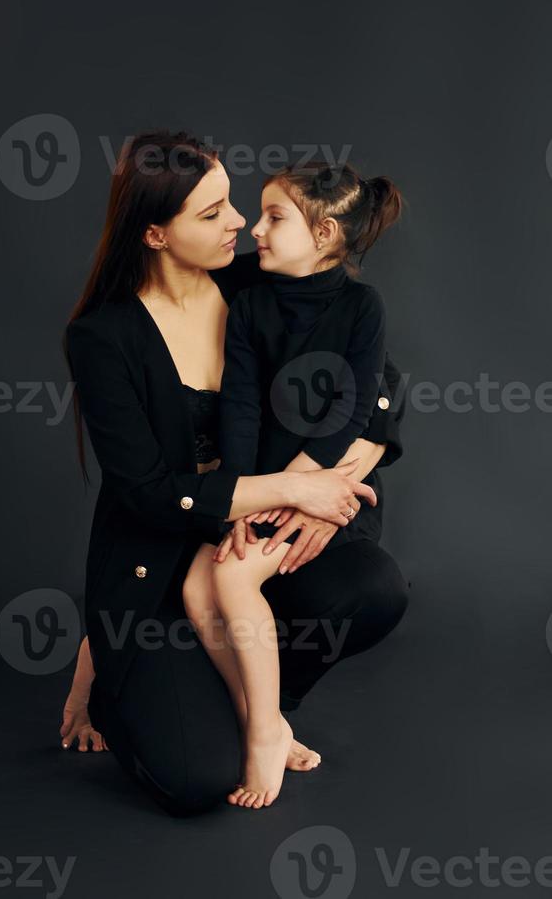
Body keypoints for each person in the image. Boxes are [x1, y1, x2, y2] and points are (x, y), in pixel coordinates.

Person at [62, 129, 409, 816]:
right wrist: (292, 487)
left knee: (370, 586)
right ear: (157, 235)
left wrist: (347, 468)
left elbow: (378, 380)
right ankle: (137, 685)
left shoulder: (259, 278)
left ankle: (263, 710)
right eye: (212, 212)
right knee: (197, 781)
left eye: (233, 203)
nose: (240, 223)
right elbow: (147, 495)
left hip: (254, 537)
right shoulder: (105, 337)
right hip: (163, 565)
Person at [182, 159, 402, 808]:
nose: (255, 227)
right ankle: (272, 722)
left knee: (227, 577)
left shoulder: (361, 307)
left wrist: (293, 488)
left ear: (327, 235)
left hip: (312, 485)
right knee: (198, 584)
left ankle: (258, 737)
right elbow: (240, 408)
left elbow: (355, 409)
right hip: (261, 486)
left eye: (274, 217)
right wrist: (244, 493)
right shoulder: (249, 303)